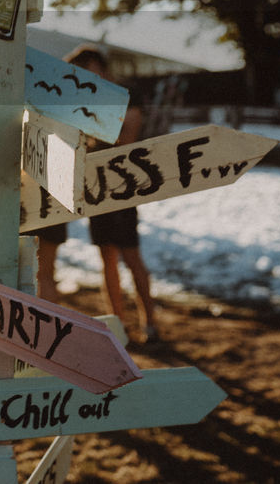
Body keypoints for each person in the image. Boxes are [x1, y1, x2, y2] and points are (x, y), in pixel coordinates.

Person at [68, 45, 159, 341]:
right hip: (97, 186)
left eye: (87, 70)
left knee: (131, 256)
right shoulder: (86, 100)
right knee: (106, 257)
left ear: (99, 67)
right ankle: (116, 325)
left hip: (123, 185)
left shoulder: (123, 95)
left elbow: (127, 137)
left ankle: (150, 322)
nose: (83, 77)